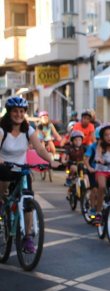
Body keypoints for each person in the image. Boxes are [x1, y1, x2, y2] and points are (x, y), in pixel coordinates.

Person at [0, 97, 60, 253]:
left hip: (21, 168)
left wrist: (50, 161)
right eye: (15, 111)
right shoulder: (2, 129)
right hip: (4, 167)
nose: (18, 114)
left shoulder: (28, 130)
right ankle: (2, 208)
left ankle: (27, 237)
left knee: (28, 200)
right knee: (3, 192)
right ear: (9, 112)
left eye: (22, 111)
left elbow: (40, 149)